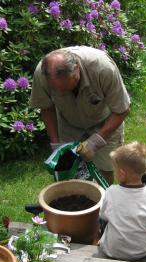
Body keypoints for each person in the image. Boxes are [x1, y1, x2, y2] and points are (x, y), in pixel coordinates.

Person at [30, 46, 130, 184]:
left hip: (105, 122)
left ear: (77, 68)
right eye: (57, 90)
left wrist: (96, 141)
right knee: (69, 173)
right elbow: (46, 108)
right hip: (68, 124)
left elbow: (122, 109)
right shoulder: (41, 74)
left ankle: (103, 202)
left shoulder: (103, 68)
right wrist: (56, 144)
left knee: (105, 170)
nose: (61, 91)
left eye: (66, 87)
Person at [98, 142, 146, 261]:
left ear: (122, 174)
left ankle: (103, 240)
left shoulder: (111, 191)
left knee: (102, 218)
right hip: (142, 251)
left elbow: (103, 216)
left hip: (112, 251)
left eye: (115, 170)